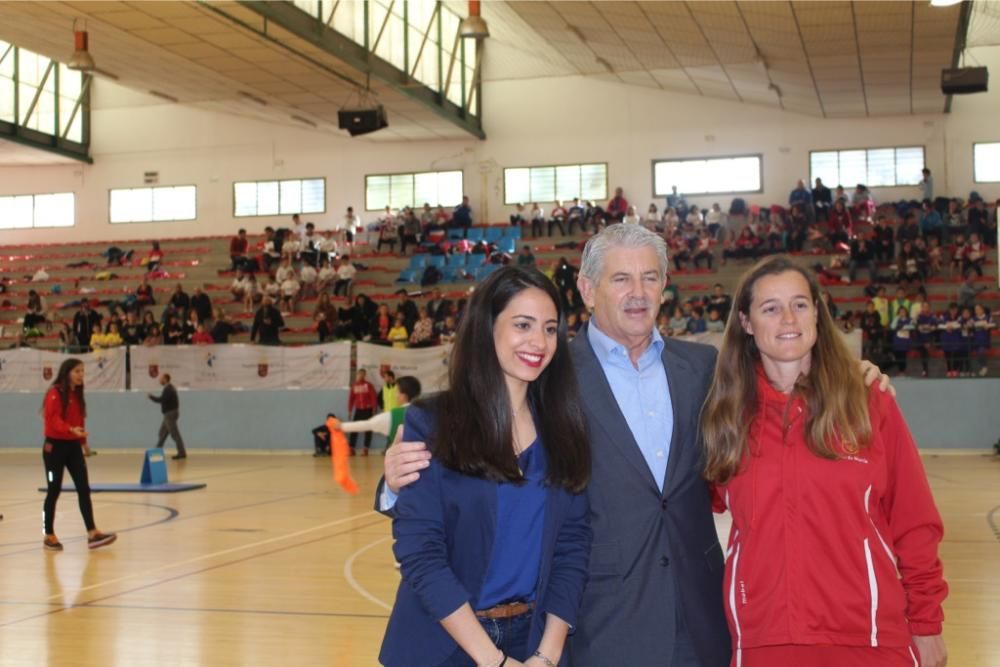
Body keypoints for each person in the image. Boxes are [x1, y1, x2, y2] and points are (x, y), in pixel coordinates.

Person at [380, 224, 893, 666]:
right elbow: (486, 437)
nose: (638, 292)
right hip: (600, 621)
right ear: (586, 288)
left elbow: (785, 377)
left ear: (665, 286)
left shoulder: (705, 369)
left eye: (650, 277)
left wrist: (853, 374)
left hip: (699, 614)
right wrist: (392, 481)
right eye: (621, 278)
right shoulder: (551, 374)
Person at [700, 255, 947, 667]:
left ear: (817, 311)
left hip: (869, 637)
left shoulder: (868, 400)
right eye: (770, 308)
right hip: (764, 640)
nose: (788, 319)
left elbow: (915, 520)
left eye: (799, 304)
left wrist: (926, 622)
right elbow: (682, 512)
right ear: (745, 322)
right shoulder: (724, 414)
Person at [379, 266, 591, 667]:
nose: (539, 342)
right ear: (486, 328)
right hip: (447, 642)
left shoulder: (564, 427)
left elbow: (573, 548)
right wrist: (492, 660)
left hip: (534, 642)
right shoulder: (433, 422)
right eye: (523, 325)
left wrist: (547, 654)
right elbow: (422, 555)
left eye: (549, 328)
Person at [41, 358, 117, 551]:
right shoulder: (54, 393)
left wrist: (83, 443)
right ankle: (48, 533)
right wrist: (69, 430)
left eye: (82, 371)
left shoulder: (77, 395)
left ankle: (92, 532)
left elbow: (79, 421)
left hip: (73, 446)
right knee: (53, 489)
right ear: (66, 373)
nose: (81, 375)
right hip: (54, 449)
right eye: (77, 371)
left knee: (83, 487)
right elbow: (53, 419)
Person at [314, 376, 423, 457]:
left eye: (396, 392)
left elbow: (366, 425)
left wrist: (341, 426)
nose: (395, 395)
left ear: (403, 395)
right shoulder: (429, 413)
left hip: (401, 470)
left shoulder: (392, 416)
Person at [148, 373, 187, 460]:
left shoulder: (169, 389)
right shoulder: (169, 388)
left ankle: (182, 453)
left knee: (174, 434)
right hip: (169, 414)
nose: (159, 380)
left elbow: (162, 400)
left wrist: (151, 397)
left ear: (165, 379)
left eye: (161, 378)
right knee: (162, 432)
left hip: (170, 414)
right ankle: (157, 451)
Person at [347, 369, 378, 456]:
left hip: (367, 410)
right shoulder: (354, 386)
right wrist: (349, 410)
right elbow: (351, 399)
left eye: (362, 374)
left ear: (365, 375)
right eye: (359, 374)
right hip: (358, 410)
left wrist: (374, 410)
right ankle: (351, 449)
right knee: (354, 428)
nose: (360, 376)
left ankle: (365, 449)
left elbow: (373, 398)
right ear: (357, 374)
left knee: (368, 429)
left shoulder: (369, 385)